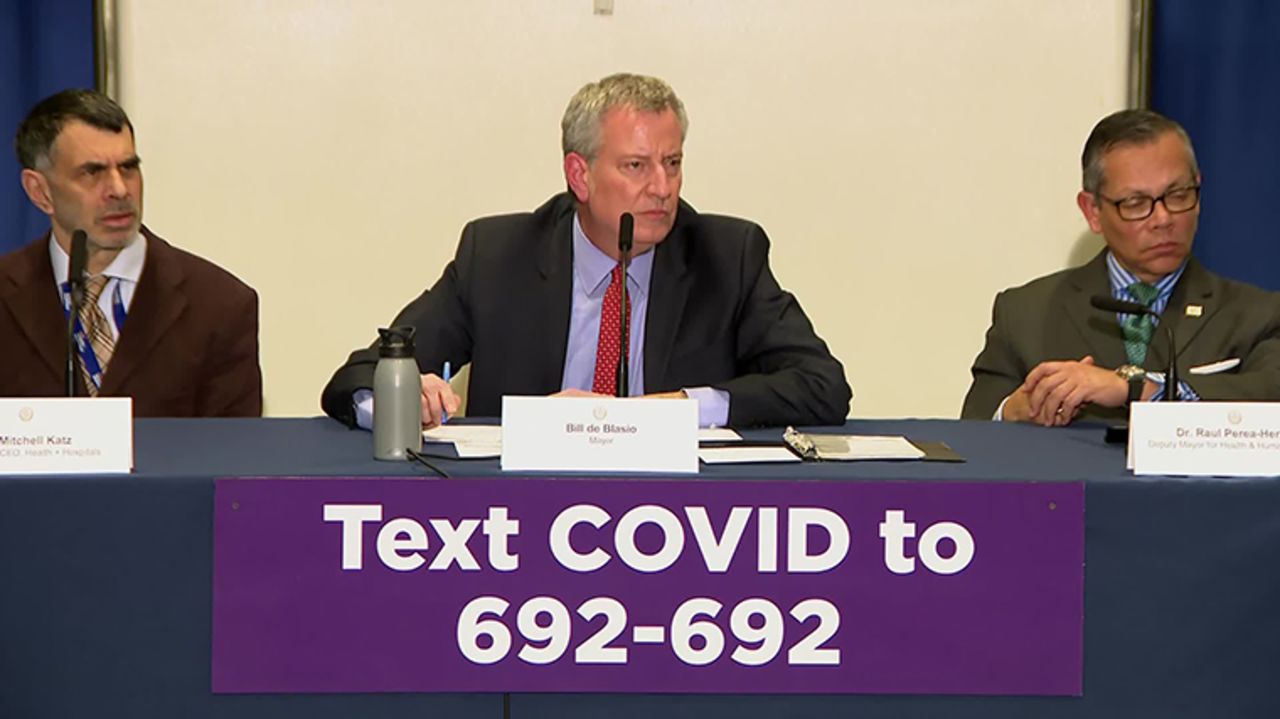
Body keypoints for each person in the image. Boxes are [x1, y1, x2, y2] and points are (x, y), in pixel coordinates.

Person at [322, 73, 850, 429]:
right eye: (636, 166)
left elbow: (823, 386)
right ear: (580, 174)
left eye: (672, 162)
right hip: (519, 520)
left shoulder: (726, 256)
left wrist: (679, 408)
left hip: (678, 520)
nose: (663, 187)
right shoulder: (498, 257)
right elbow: (359, 377)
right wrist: (400, 401)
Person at [961, 109, 1280, 425]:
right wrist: (1014, 411)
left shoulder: (1256, 315)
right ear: (1093, 211)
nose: (1163, 219)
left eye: (1178, 195)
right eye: (1136, 203)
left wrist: (1138, 389)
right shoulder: (1025, 313)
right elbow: (973, 434)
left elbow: (1271, 393)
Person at [0, 89, 262, 416]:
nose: (120, 190)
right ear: (40, 192)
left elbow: (233, 456)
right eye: (92, 172)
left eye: (128, 167)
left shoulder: (220, 306)